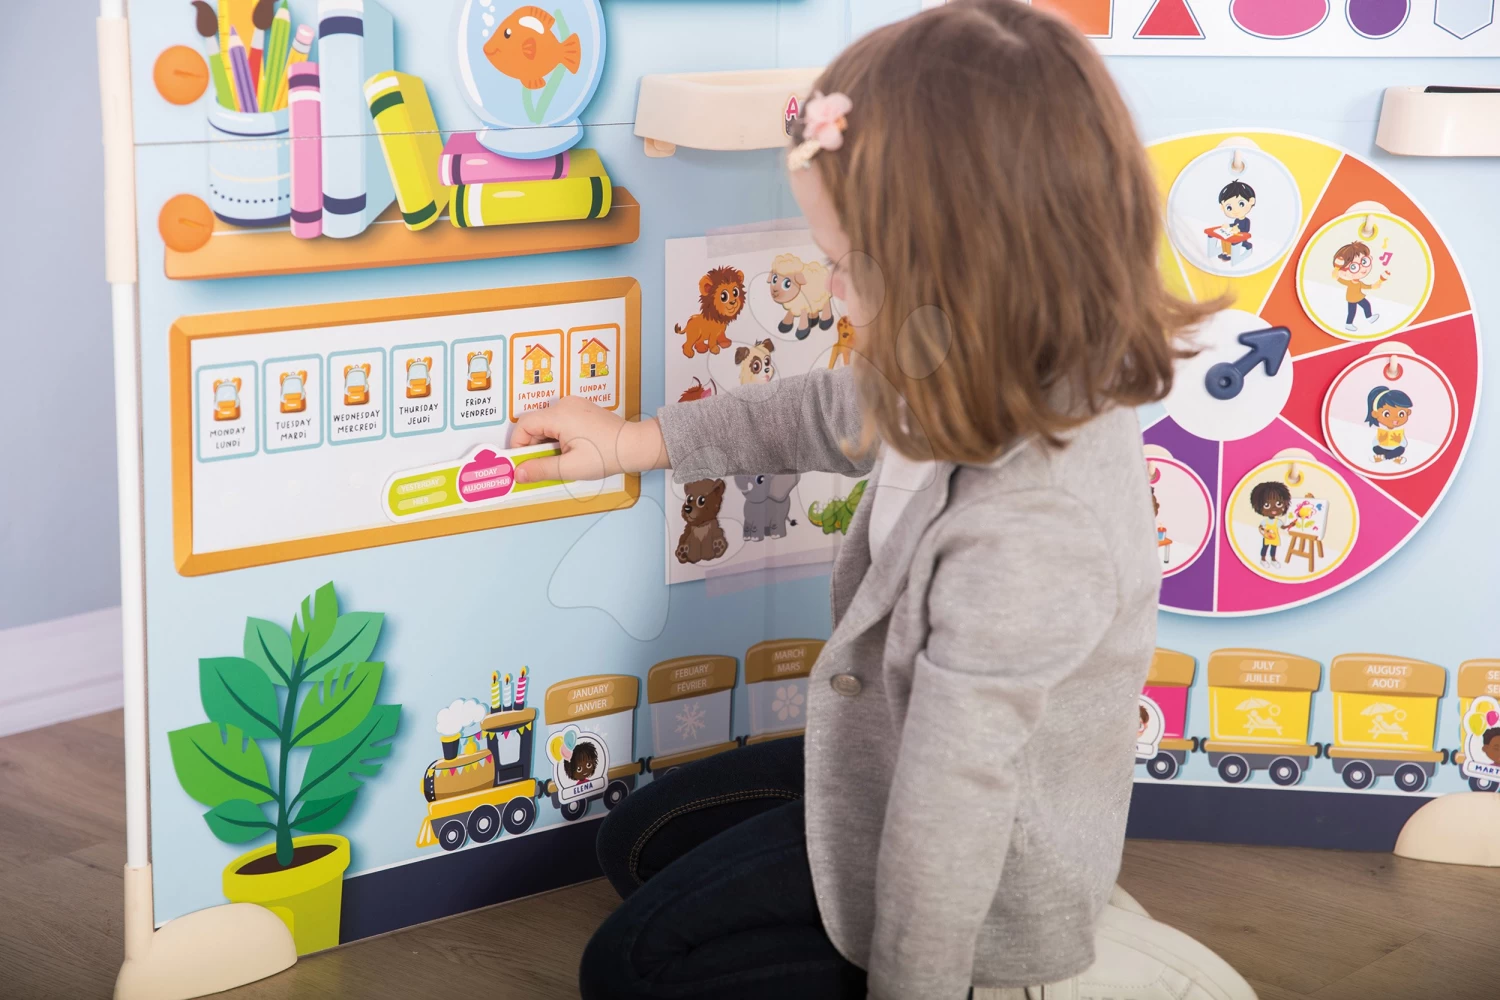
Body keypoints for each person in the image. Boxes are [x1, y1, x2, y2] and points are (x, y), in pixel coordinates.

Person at [511, 4, 1255, 998]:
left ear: (958, 268)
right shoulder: (969, 352)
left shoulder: (1032, 529)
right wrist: (635, 442)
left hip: (980, 880)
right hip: (886, 751)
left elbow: (952, 811)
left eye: (844, 264)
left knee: (627, 968)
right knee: (639, 842)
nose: (830, 288)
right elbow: (828, 410)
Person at [1331, 241, 1387, 332]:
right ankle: (1349, 324)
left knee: (1366, 305)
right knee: (1352, 312)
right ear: (1343, 272)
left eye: (1364, 261)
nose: (1362, 268)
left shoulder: (1359, 283)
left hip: (1359, 297)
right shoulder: (1349, 282)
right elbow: (1336, 277)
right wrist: (1336, 269)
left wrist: (1375, 285)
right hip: (1352, 299)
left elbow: (1366, 286)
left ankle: (1369, 317)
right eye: (1353, 267)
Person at [1365, 385, 1413, 465]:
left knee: (1401, 449)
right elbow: (1374, 443)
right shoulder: (1381, 429)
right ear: (1375, 414)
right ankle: (1393, 457)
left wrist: (1399, 440)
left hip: (1395, 447)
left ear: (1408, 413)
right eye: (1386, 414)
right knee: (1376, 448)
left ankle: (1383, 457)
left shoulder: (1399, 430)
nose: (1395, 418)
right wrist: (1380, 440)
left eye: (1401, 414)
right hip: (1383, 447)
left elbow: (1404, 444)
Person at [1216, 180, 1255, 261]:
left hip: (1242, 238)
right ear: (1222, 207)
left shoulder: (1246, 220)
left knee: (1230, 240)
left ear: (1251, 201)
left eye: (1241, 204)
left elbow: (1246, 230)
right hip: (1234, 236)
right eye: (1229, 208)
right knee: (1224, 239)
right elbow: (1234, 225)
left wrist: (1238, 230)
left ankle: (1229, 254)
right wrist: (1228, 226)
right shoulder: (1237, 220)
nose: (1235, 210)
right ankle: (1225, 252)